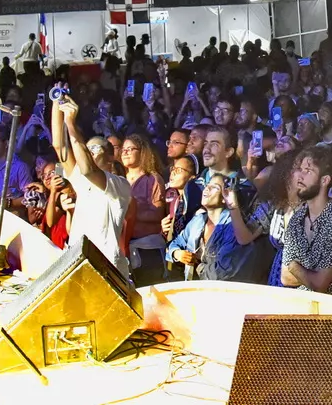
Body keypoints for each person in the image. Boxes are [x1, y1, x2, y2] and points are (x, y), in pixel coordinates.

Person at [51, 95, 132, 277]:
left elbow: (88, 169)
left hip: (106, 265)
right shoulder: (81, 181)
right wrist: (57, 103)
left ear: (111, 157)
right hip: (78, 261)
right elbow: (59, 145)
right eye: (88, 149)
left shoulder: (120, 185)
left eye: (95, 149)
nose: (90, 152)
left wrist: (71, 123)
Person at [277, 146, 332, 295]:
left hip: (330, 312)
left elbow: (319, 284)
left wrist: (294, 266)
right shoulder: (297, 218)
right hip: (300, 308)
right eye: (300, 169)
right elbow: (285, 278)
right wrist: (310, 273)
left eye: (308, 171)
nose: (300, 176)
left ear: (325, 180)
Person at [165, 171, 251, 282]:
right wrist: (177, 253)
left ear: (225, 197)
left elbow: (223, 271)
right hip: (194, 290)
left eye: (214, 187)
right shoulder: (198, 220)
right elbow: (175, 243)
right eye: (207, 185)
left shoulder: (232, 225)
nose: (206, 189)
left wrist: (198, 266)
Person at [119, 133, 167, 287]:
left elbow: (157, 214)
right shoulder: (119, 179)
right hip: (124, 247)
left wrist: (129, 211)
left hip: (147, 248)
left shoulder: (152, 178)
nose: (124, 152)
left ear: (142, 152)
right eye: (123, 149)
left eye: (130, 149)